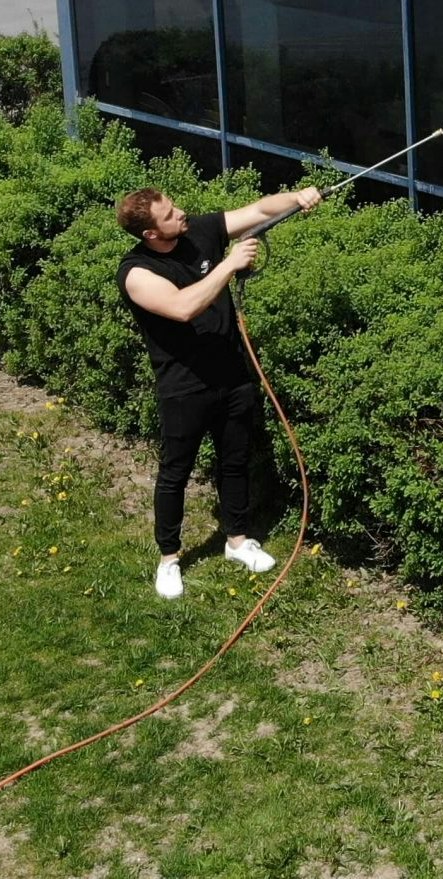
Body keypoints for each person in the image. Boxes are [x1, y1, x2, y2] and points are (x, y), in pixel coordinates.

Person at [114, 184, 322, 599]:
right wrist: (229, 266)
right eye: (169, 215)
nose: (181, 213)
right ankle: (169, 559)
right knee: (175, 474)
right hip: (183, 388)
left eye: (174, 206)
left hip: (232, 375)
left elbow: (258, 210)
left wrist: (298, 197)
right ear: (150, 234)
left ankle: (237, 541)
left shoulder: (200, 230)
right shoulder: (136, 273)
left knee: (235, 461)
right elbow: (182, 307)